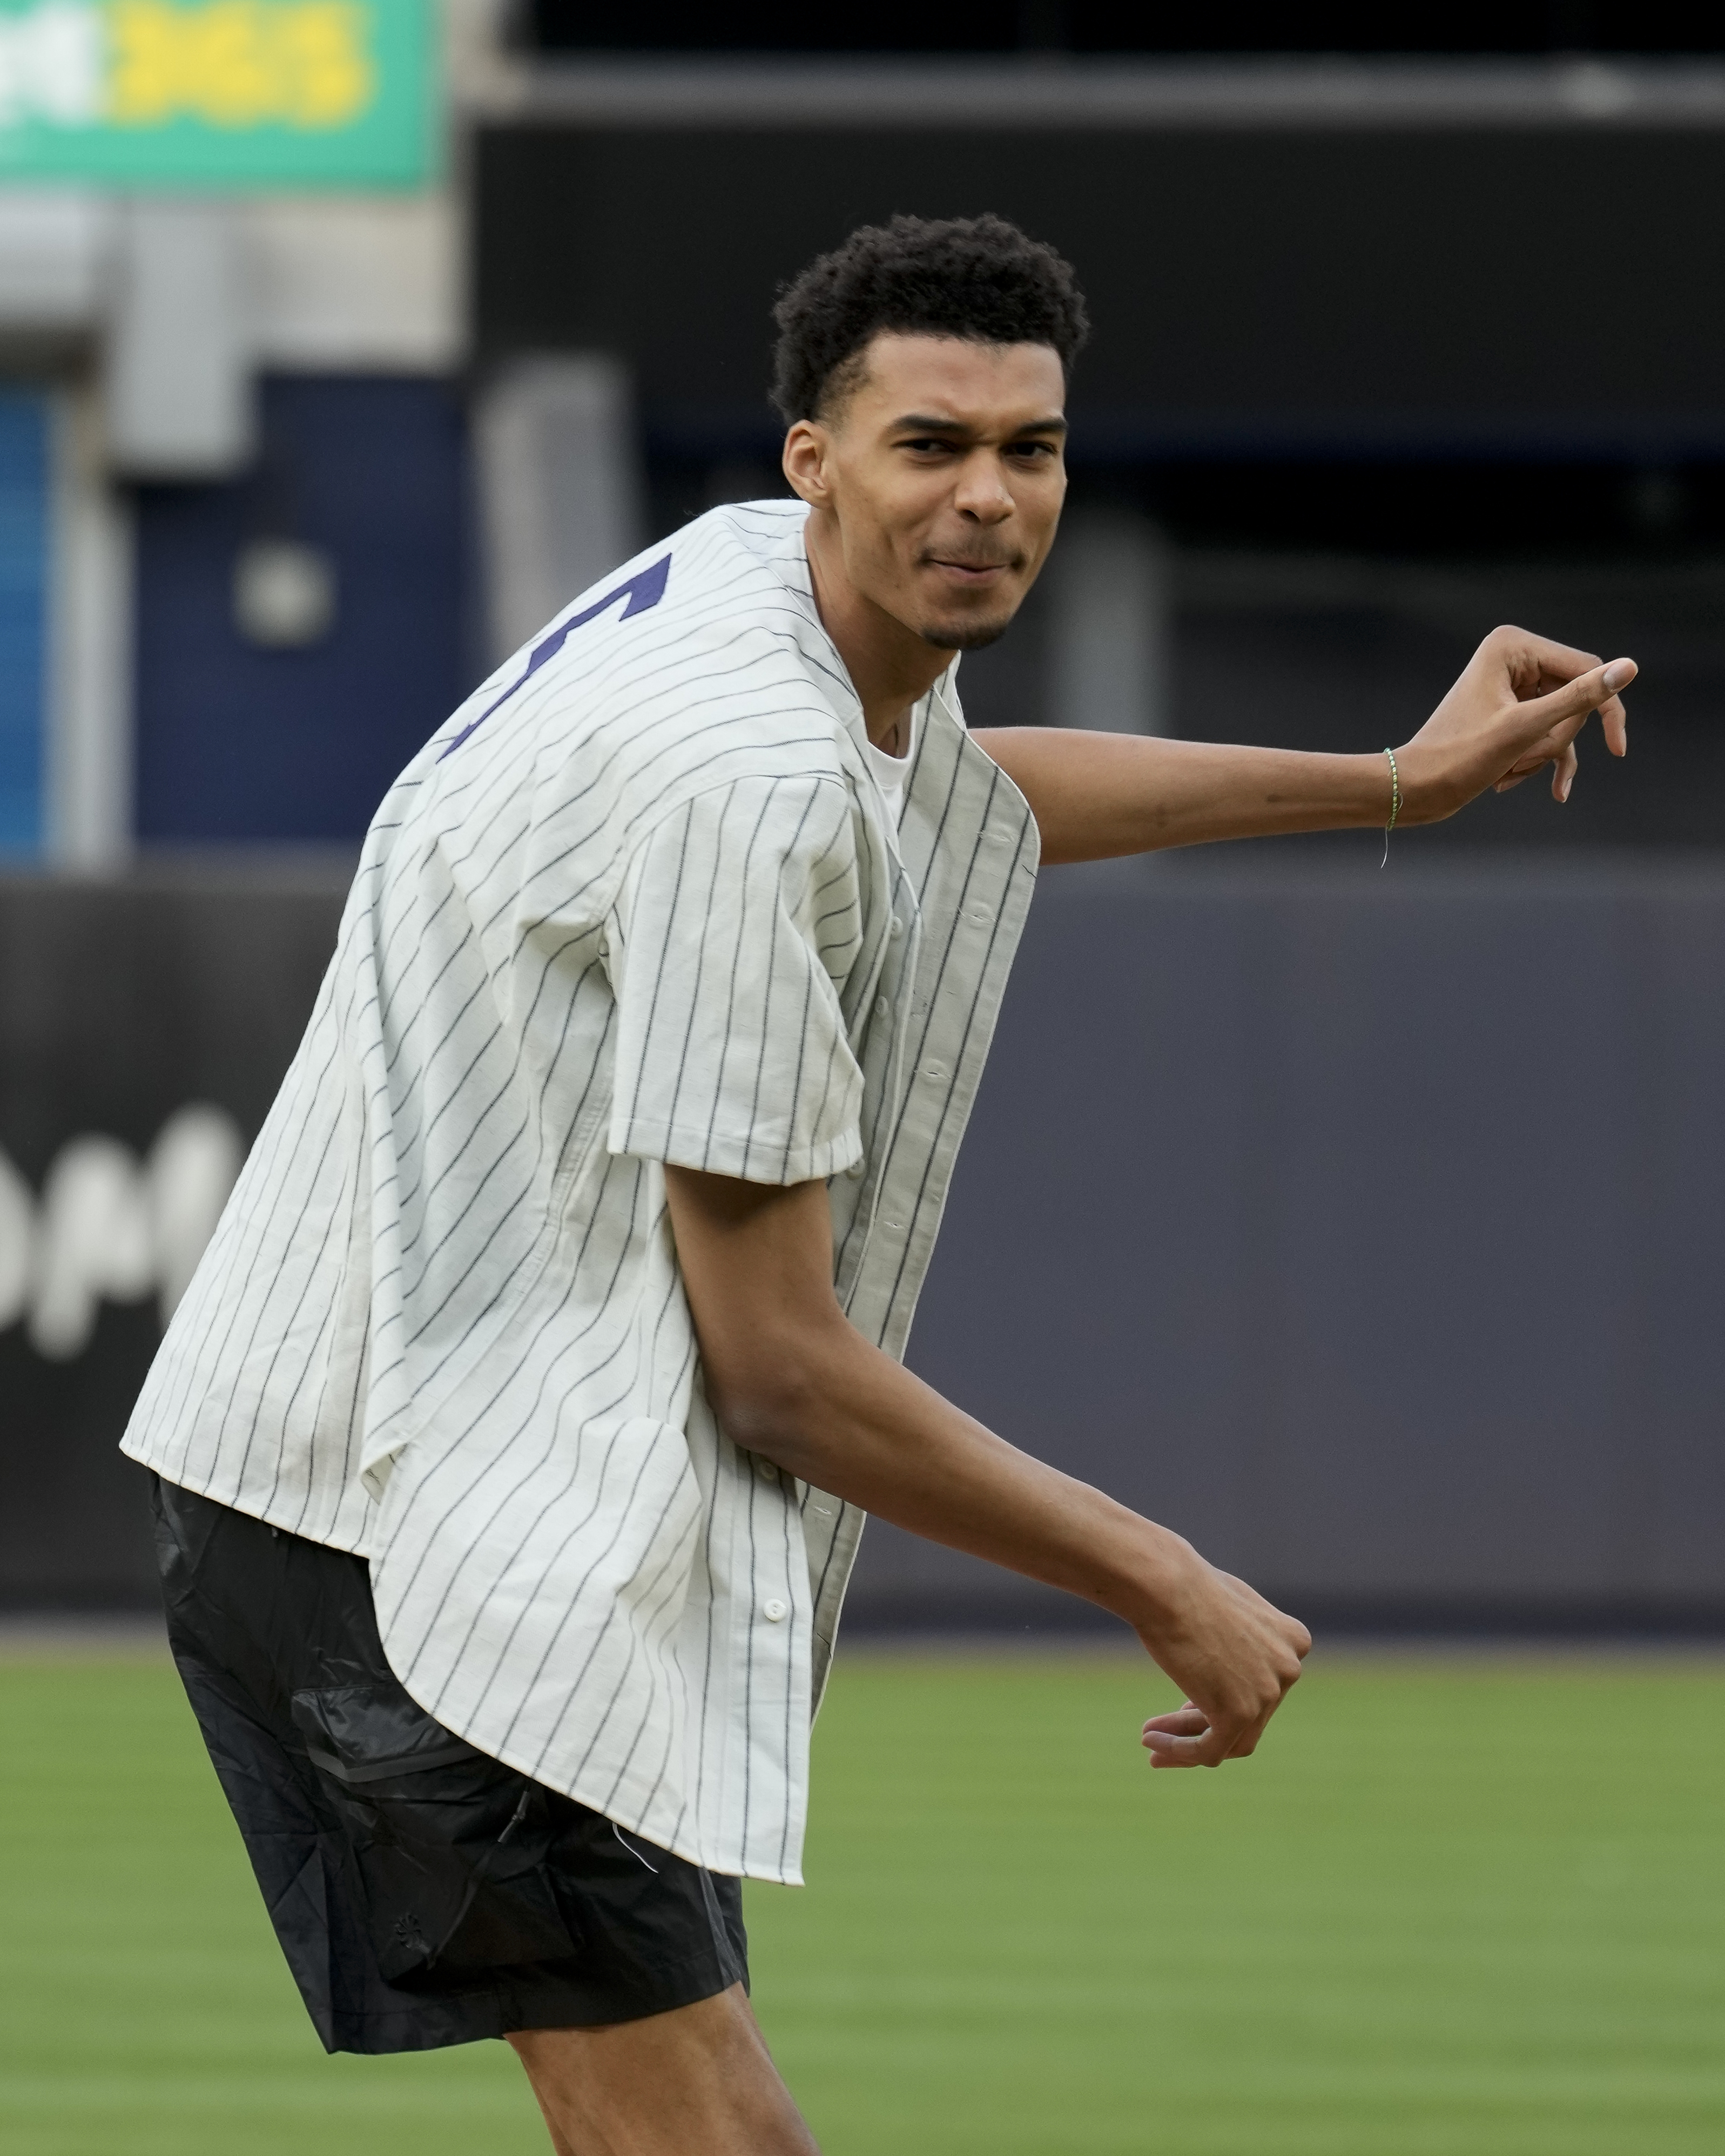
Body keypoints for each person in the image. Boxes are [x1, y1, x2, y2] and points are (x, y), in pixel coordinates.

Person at [120, 213, 1632, 2154]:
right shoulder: (749, 778)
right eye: (932, 446)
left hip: (396, 1473)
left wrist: (1392, 783)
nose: (990, 497)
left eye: (1034, 449)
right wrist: (1163, 1578)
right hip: (399, 1522)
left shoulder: (767, 596)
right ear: (812, 458)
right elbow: (779, 1368)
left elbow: (969, 788)